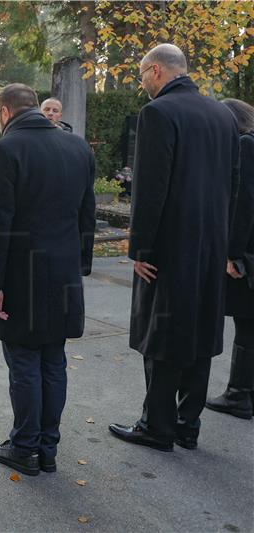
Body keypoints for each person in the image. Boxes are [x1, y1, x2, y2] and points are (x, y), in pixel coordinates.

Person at [109, 44, 239, 451]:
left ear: (156, 71)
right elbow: (233, 186)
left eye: (143, 75)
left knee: (162, 334)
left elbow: (150, 189)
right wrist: (228, 244)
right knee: (199, 333)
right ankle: (188, 424)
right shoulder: (222, 114)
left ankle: (157, 426)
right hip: (212, 243)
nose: (143, 83)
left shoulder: (158, 113)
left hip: (169, 246)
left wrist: (141, 249)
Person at [0, 83, 96, 476]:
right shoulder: (78, 147)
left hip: (22, 273)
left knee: (25, 360)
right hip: (63, 270)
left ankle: (25, 444)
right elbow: (87, 214)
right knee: (54, 359)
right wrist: (81, 265)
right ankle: (47, 447)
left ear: (5, 112)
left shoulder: (6, 149)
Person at [205, 99, 254, 420]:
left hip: (247, 250)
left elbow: (243, 201)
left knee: (247, 321)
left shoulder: (245, 145)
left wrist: (232, 254)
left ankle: (239, 394)